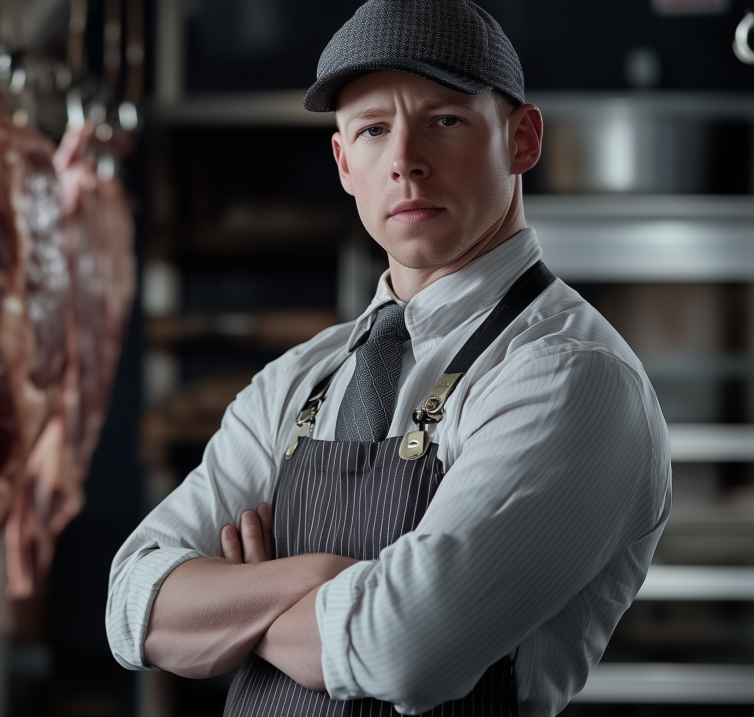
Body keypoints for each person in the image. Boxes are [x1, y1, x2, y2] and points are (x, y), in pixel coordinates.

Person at [105, 1, 672, 715]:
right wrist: (322, 578)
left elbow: (401, 646)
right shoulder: (299, 378)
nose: (403, 160)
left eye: (444, 120)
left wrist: (235, 608)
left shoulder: (570, 377)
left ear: (521, 140)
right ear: (344, 163)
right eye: (373, 129)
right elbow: (133, 602)